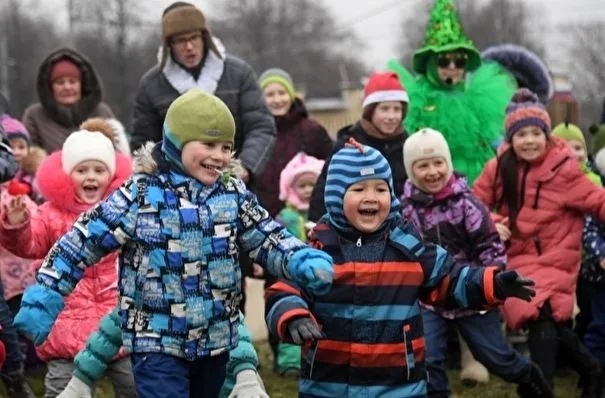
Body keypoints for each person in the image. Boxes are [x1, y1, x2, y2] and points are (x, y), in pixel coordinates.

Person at [13, 90, 333, 398]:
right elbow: (82, 240)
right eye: (208, 144)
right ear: (177, 142)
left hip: (215, 338)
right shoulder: (140, 195)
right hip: (155, 340)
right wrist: (47, 293)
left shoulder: (231, 193)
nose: (219, 155)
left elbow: (267, 236)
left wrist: (301, 259)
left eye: (225, 146)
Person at [266, 139, 539, 397]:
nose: (371, 197)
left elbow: (450, 280)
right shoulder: (318, 250)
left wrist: (495, 284)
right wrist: (292, 315)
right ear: (337, 197)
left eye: (381, 189)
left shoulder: (408, 245)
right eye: (359, 190)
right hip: (329, 384)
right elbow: (283, 289)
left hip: (398, 385)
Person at [401, 128, 552, 398]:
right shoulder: (406, 209)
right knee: (427, 355)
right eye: (422, 166)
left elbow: (490, 245)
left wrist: (491, 282)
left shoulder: (466, 204)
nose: (432, 171)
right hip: (428, 297)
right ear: (411, 171)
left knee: (495, 356)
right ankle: (437, 393)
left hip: (469, 288)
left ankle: (529, 376)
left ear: (448, 163)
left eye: (438, 163)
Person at [473, 88, 605, 396]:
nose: (529, 140)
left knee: (540, 315)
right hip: (517, 256)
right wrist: (494, 223)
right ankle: (591, 369)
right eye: (521, 134)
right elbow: (473, 204)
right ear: (511, 138)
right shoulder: (499, 166)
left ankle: (537, 389)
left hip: (557, 255)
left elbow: (597, 200)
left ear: (546, 135)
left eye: (536, 133)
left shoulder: (563, 168)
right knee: (543, 318)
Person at [0, 130, 134, 398]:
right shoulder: (50, 214)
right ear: (66, 176)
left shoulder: (124, 211)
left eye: (99, 169)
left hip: (116, 319)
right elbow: (30, 244)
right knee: (63, 388)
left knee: (135, 385)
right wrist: (17, 226)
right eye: (82, 170)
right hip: (66, 324)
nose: (91, 176)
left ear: (112, 176)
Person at [130, 1, 276, 183]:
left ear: (204, 37)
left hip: (231, 178)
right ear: (169, 45)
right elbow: (142, 141)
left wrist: (245, 168)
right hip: (171, 187)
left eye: (194, 37)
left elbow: (261, 126)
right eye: (180, 40)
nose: (189, 47)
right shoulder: (151, 84)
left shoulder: (239, 73)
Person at [388, 0, 516, 186]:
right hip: (433, 185)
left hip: (478, 184)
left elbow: (493, 139)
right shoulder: (417, 99)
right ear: (431, 63)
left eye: (459, 62)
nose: (452, 68)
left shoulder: (478, 99)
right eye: (444, 61)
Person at [57, 308, 268, 398]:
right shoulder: (142, 297)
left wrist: (247, 376)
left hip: (226, 389)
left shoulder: (215, 294)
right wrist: (81, 380)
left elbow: (238, 337)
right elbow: (108, 335)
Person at [308, 71, 409, 222]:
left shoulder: (408, 144)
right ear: (370, 111)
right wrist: (318, 229)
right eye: (385, 109)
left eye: (397, 109)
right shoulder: (349, 144)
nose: (391, 117)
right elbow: (326, 189)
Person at [255, 68, 331, 217]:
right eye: (270, 95)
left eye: (282, 93)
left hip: (307, 216)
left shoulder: (311, 130)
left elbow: (330, 167)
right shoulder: (255, 133)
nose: (277, 100)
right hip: (265, 216)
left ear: (291, 95)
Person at [22, 48, 114, 154]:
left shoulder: (102, 112)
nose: (67, 87)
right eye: (60, 82)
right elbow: (27, 155)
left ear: (82, 84)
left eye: (72, 81)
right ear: (50, 87)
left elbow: (117, 154)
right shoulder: (35, 116)